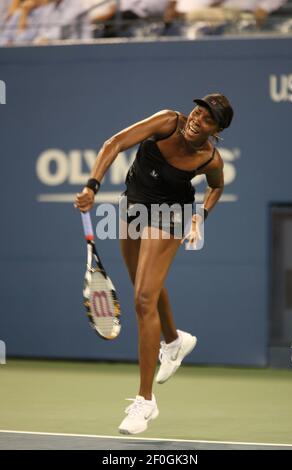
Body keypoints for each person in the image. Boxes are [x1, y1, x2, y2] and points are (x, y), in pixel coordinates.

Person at [75, 93, 234, 434]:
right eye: (198, 111)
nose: (197, 119)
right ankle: (175, 341)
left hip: (171, 215)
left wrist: (199, 218)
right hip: (132, 206)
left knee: (143, 299)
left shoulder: (210, 160)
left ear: (217, 130)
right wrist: (92, 185)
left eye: (207, 119)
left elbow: (216, 188)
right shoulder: (167, 122)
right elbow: (114, 143)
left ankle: (145, 402)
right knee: (144, 288)